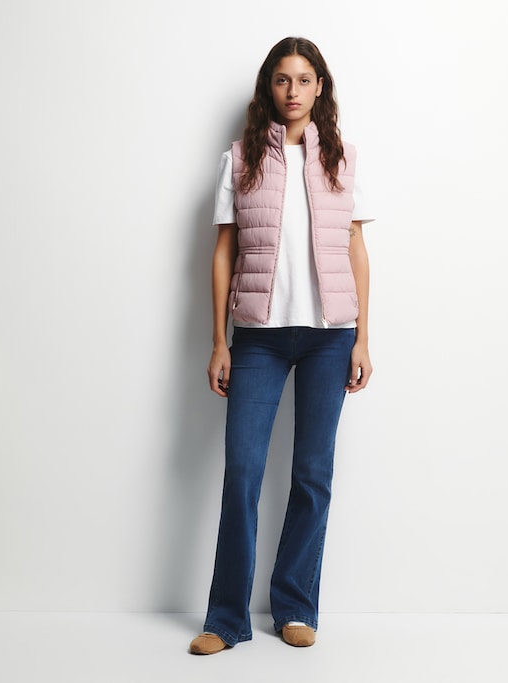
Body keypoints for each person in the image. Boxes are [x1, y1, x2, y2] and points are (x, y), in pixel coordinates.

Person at [190, 36, 374, 655]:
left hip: (330, 338)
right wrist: (219, 342)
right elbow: (223, 251)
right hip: (257, 339)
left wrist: (363, 338)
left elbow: (356, 249)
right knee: (243, 471)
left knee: (312, 475)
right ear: (268, 88)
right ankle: (225, 618)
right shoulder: (241, 158)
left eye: (304, 79)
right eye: (281, 79)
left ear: (320, 88)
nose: (292, 91)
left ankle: (295, 606)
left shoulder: (342, 157)